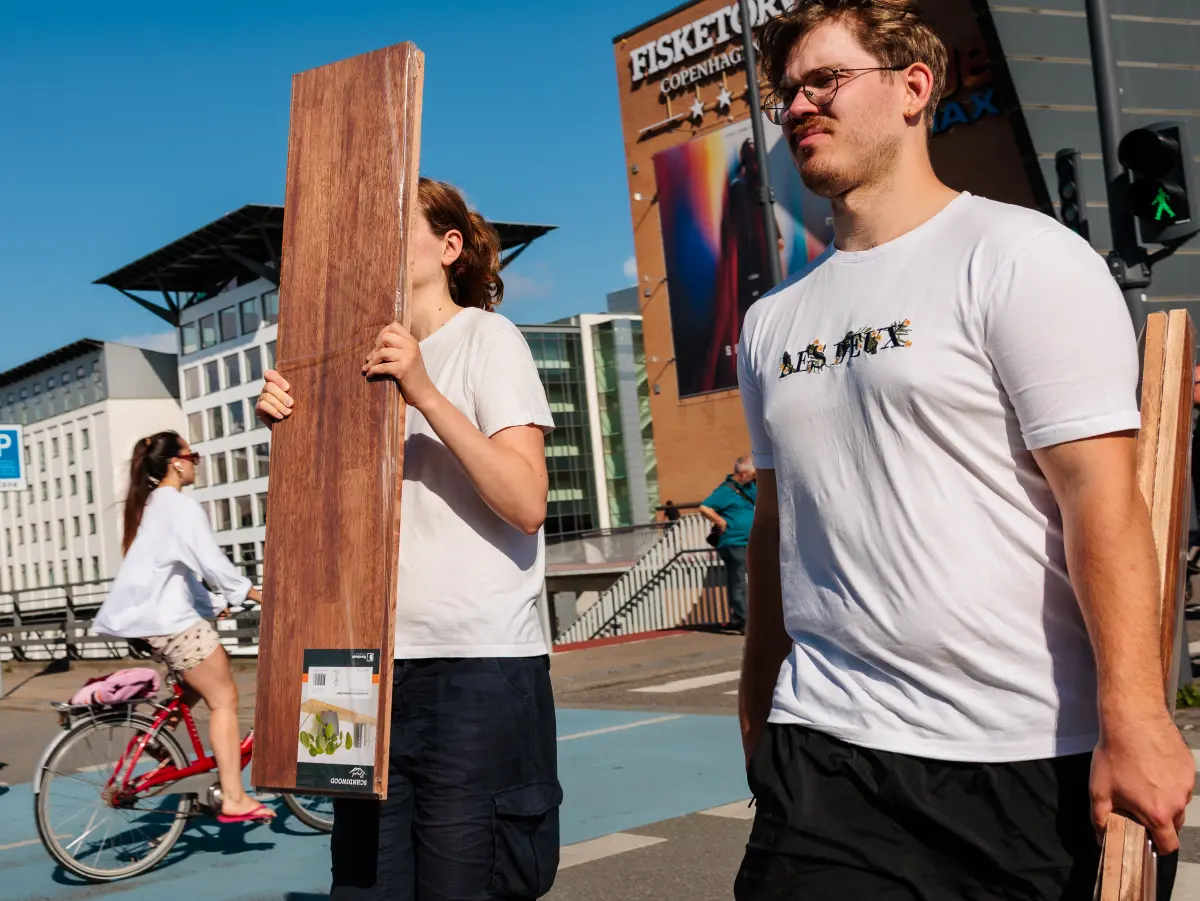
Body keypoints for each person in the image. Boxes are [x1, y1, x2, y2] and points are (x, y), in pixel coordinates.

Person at [733, 2, 1194, 900]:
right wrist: (759, 707)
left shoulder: (1021, 257)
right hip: (825, 752)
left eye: (825, 79)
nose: (796, 107)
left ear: (914, 88)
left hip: (1019, 754)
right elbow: (779, 528)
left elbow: (1101, 496)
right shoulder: (769, 324)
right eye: (787, 91)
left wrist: (1138, 716)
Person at [255, 177, 561, 901]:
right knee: (360, 887)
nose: (375, 240)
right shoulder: (344, 363)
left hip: (473, 665)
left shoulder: (488, 337)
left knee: (467, 885)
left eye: (397, 223)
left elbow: (525, 501)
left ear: (450, 247)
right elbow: (326, 525)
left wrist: (424, 390)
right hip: (350, 664)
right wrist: (287, 437)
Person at [92, 431, 270, 823]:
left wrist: (216, 604)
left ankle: (151, 741)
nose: (196, 462)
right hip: (171, 623)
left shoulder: (154, 506)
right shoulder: (180, 507)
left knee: (194, 685)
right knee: (224, 699)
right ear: (176, 462)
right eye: (194, 455)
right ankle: (235, 797)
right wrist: (257, 594)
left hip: (154, 623)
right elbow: (210, 563)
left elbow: (180, 575)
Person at [699, 457, 756, 633]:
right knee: (738, 580)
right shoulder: (725, 491)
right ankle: (743, 620)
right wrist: (719, 521)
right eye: (753, 474)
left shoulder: (750, 487)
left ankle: (740, 618)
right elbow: (704, 507)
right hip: (733, 543)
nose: (755, 477)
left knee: (749, 580)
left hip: (750, 541)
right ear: (743, 473)